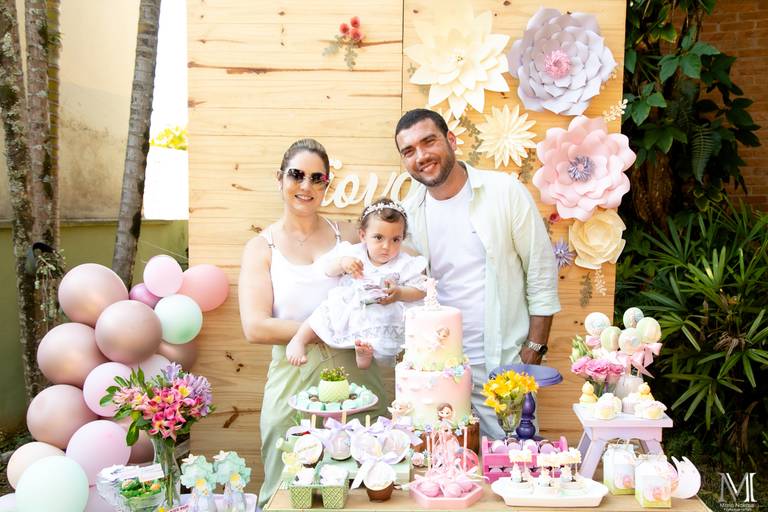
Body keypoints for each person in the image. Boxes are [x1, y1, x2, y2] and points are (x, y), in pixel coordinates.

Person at [238, 139, 389, 507]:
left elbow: (394, 272)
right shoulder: (262, 248)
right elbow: (256, 326)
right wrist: (327, 329)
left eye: (316, 178)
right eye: (297, 175)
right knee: (290, 490)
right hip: (294, 381)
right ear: (280, 179)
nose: (306, 186)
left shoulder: (351, 236)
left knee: (369, 486)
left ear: (327, 185)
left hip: (359, 379)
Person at [395, 109, 561, 439]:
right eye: (409, 151)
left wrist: (534, 348)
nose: (422, 156)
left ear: (451, 140)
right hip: (438, 368)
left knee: (513, 459)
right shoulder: (408, 213)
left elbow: (540, 269)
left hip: (501, 362)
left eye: (428, 142)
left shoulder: (503, 192)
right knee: (438, 467)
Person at [286, 198, 427, 369]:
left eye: (395, 239)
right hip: (353, 307)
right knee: (325, 310)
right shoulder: (354, 253)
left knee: (384, 329)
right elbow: (328, 270)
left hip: (384, 311)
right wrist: (343, 263)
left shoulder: (404, 263)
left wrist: (400, 293)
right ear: (362, 236)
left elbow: (421, 290)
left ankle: (364, 356)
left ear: (403, 238)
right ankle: (299, 339)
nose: (386, 246)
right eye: (378, 238)